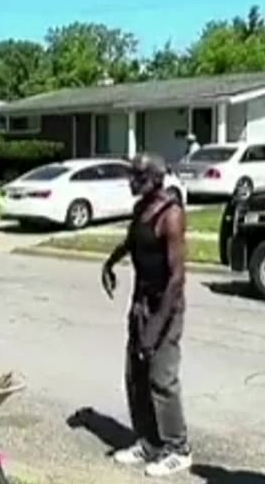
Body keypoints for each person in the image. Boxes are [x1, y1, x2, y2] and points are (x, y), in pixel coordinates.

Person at [100, 153, 192, 478]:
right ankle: (149, 442)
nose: (131, 180)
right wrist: (110, 263)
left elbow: (177, 278)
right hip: (140, 302)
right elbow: (130, 242)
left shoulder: (171, 215)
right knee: (136, 374)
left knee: (161, 379)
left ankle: (178, 448)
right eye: (131, 174)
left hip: (164, 304)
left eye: (138, 175)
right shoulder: (142, 209)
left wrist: (156, 328)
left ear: (155, 178)